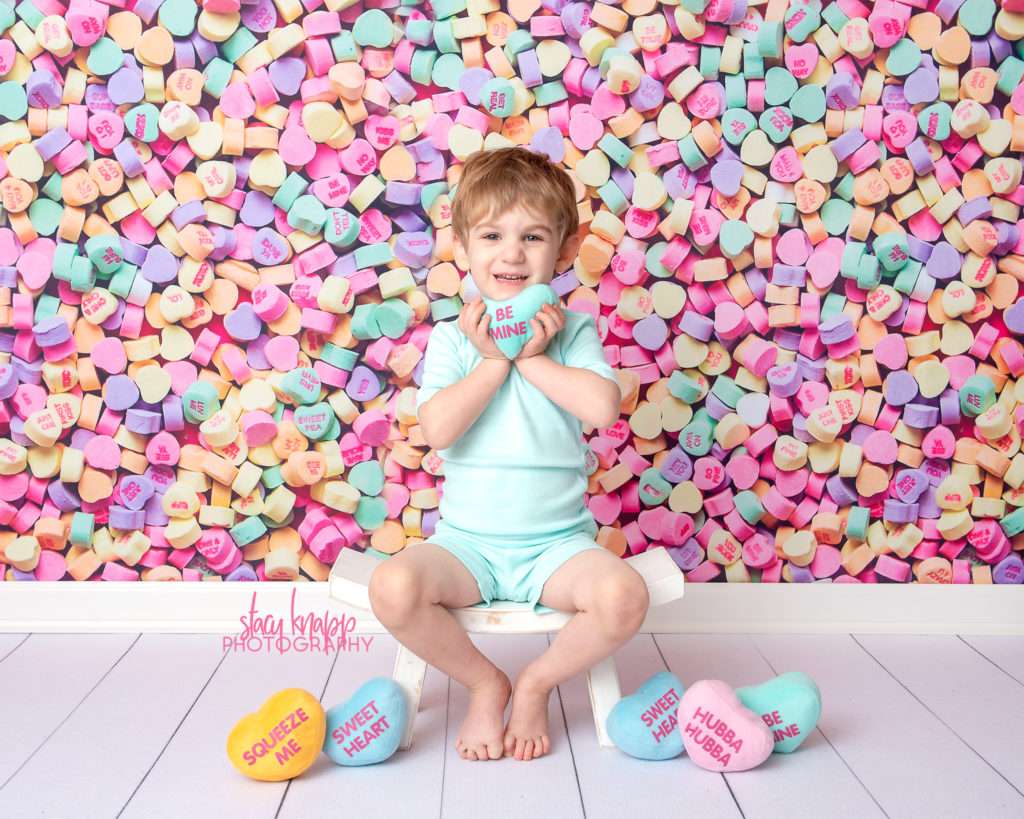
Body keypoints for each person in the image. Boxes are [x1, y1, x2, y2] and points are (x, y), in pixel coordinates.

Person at [368, 147, 650, 762]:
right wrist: (494, 361)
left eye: (533, 236)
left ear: (565, 251)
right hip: (468, 546)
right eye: (493, 236)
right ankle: (484, 682)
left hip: (557, 548)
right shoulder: (453, 338)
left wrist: (533, 357)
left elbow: (602, 408)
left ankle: (536, 683)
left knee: (625, 597)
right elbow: (438, 429)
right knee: (391, 587)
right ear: (463, 248)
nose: (512, 254)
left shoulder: (573, 332)